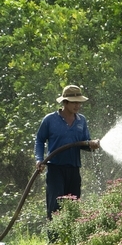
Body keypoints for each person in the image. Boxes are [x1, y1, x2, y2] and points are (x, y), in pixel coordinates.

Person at [34, 85, 100, 220]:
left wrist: (91, 145)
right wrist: (39, 159)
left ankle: (71, 239)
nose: (78, 105)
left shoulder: (82, 120)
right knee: (56, 206)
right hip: (55, 169)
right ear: (65, 102)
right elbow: (39, 140)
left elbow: (84, 143)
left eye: (79, 102)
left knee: (73, 206)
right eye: (74, 102)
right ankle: (54, 239)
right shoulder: (50, 120)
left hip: (74, 169)